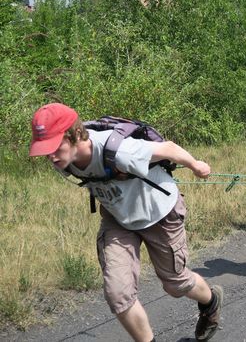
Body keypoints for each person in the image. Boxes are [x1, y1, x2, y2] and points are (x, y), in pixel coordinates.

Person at [29, 103, 222, 342]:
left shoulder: (120, 150)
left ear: (76, 135)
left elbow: (169, 148)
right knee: (117, 294)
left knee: (175, 284)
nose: (50, 155)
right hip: (118, 219)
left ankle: (210, 302)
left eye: (54, 146)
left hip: (159, 213)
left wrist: (195, 165)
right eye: (45, 149)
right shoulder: (63, 161)